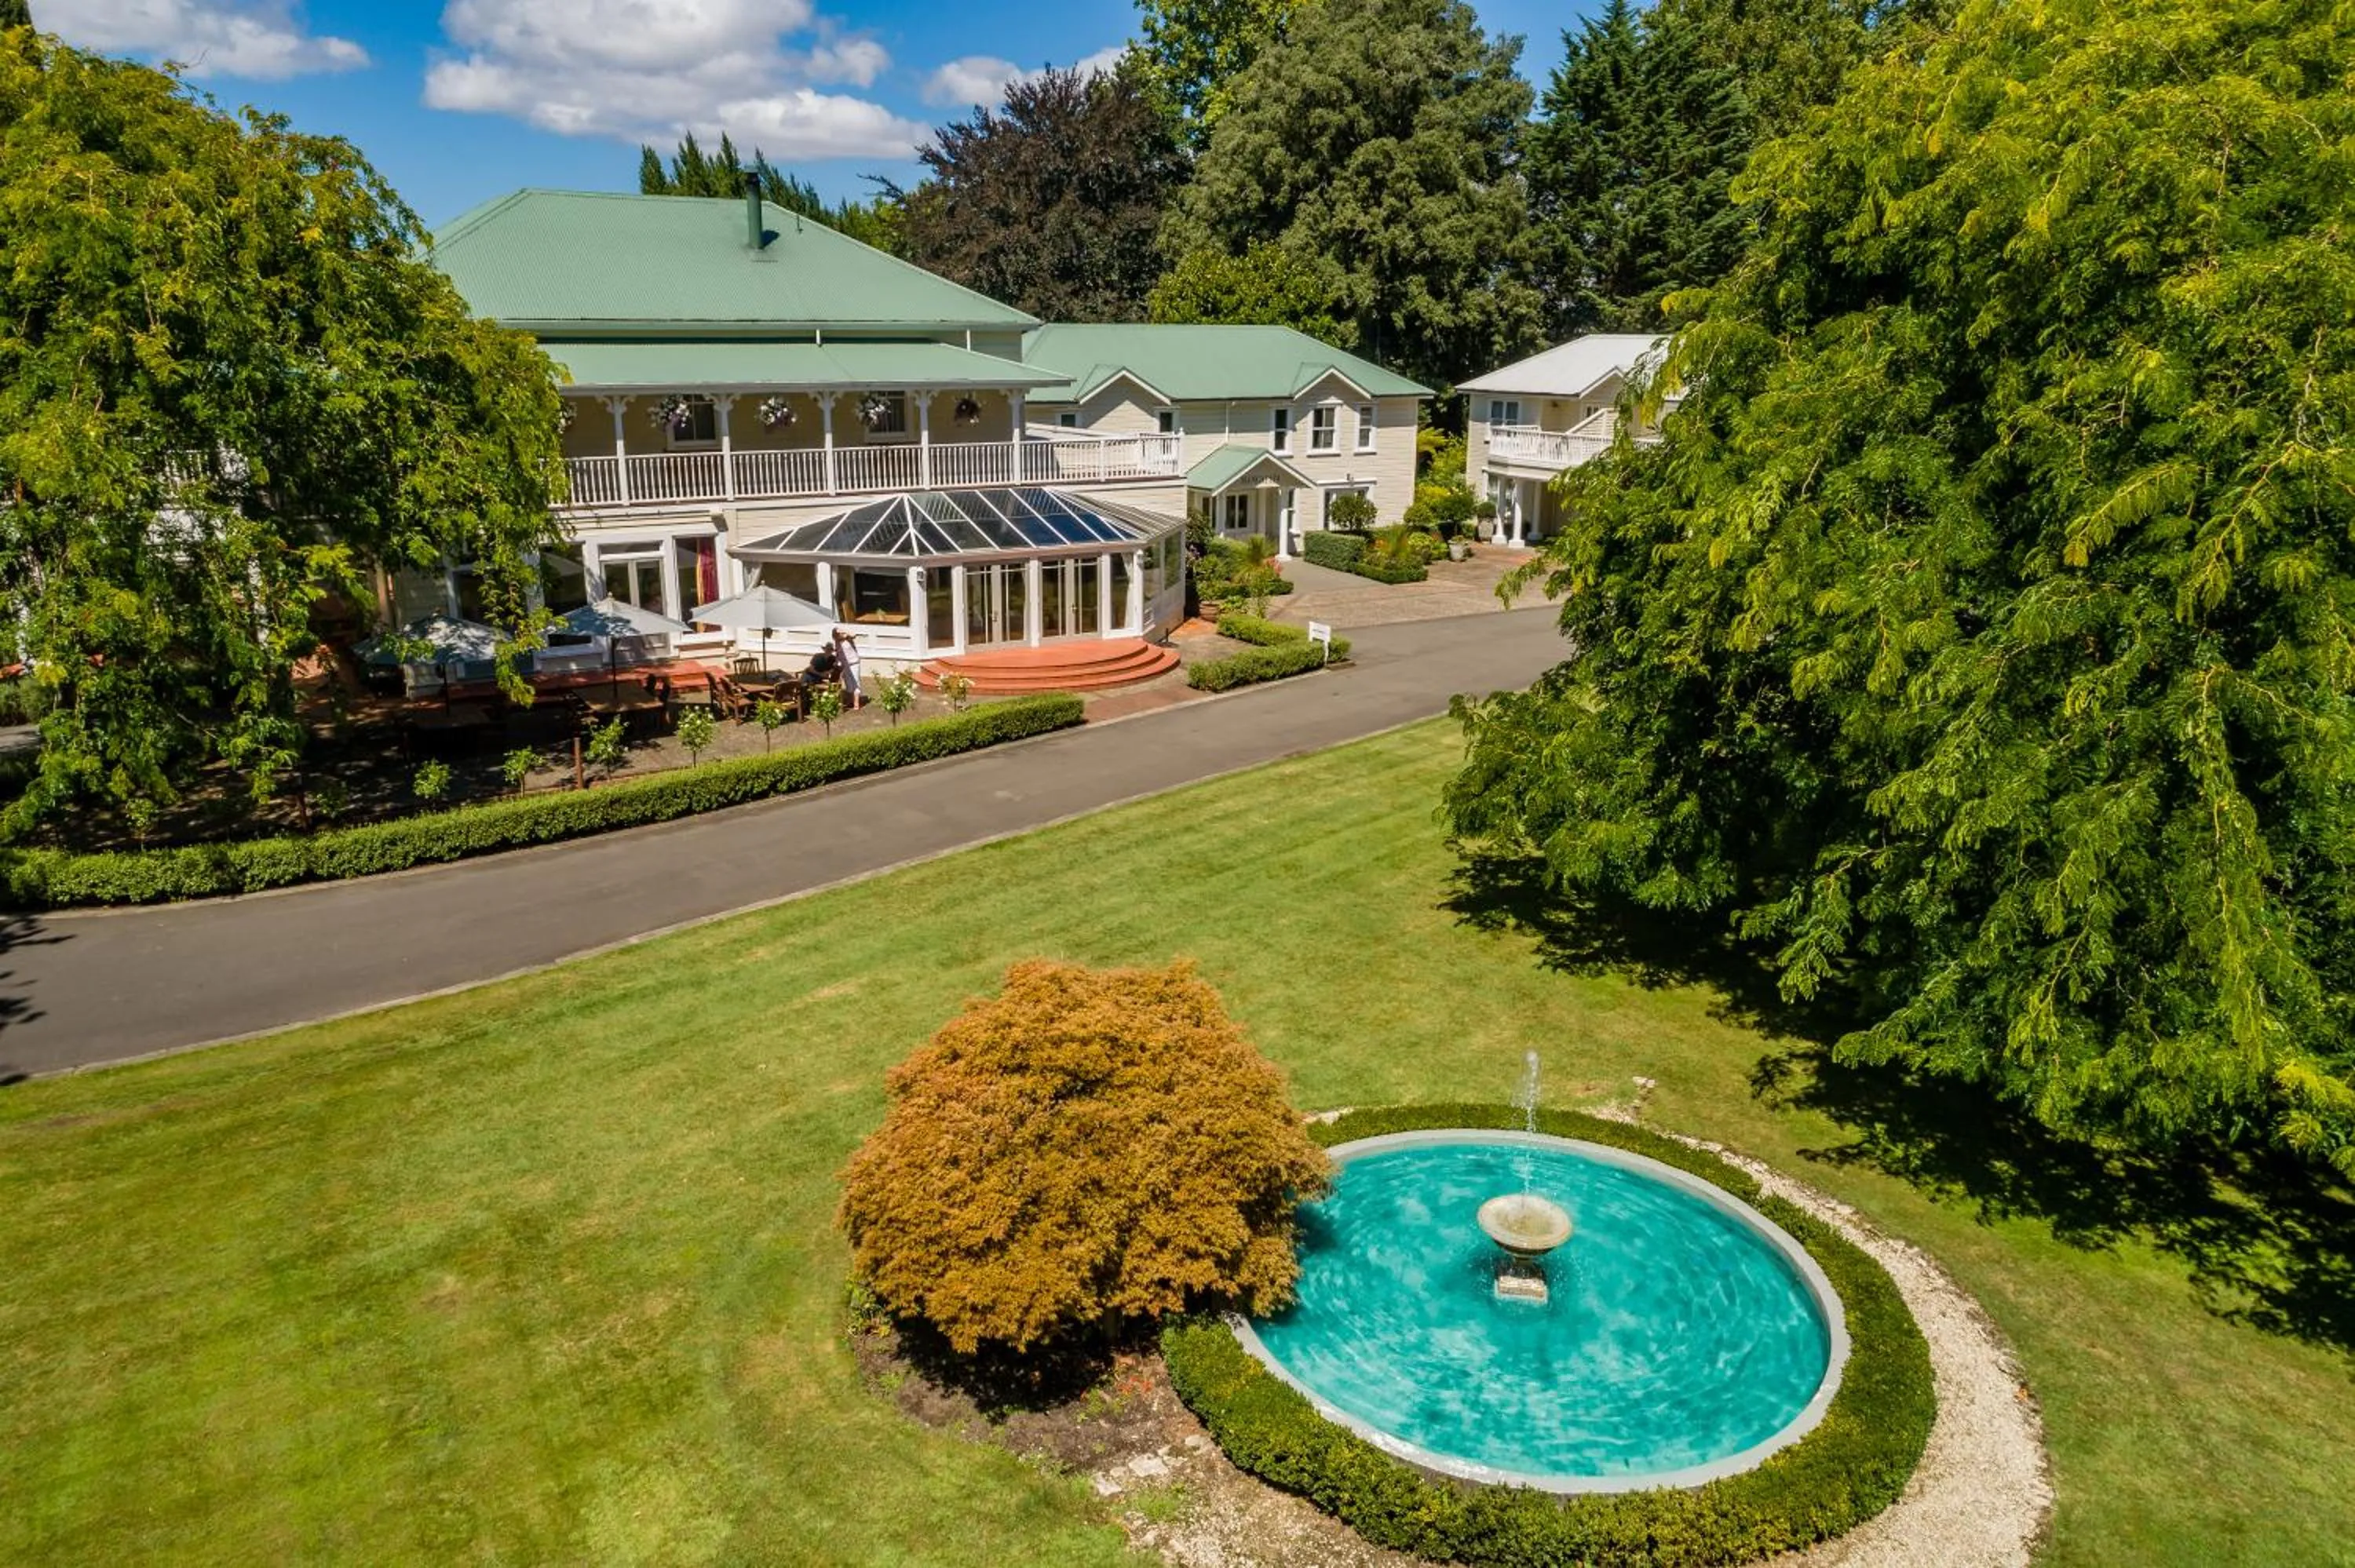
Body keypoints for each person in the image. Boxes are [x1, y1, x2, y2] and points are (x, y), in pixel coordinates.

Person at [832, 626, 864, 709]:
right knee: (848, 683)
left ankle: (856, 703)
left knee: (855, 682)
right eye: (837, 634)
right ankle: (851, 701)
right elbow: (838, 654)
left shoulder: (849, 639)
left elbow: (854, 635)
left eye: (840, 633)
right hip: (845, 665)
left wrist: (845, 631)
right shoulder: (837, 642)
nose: (839, 635)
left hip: (854, 663)